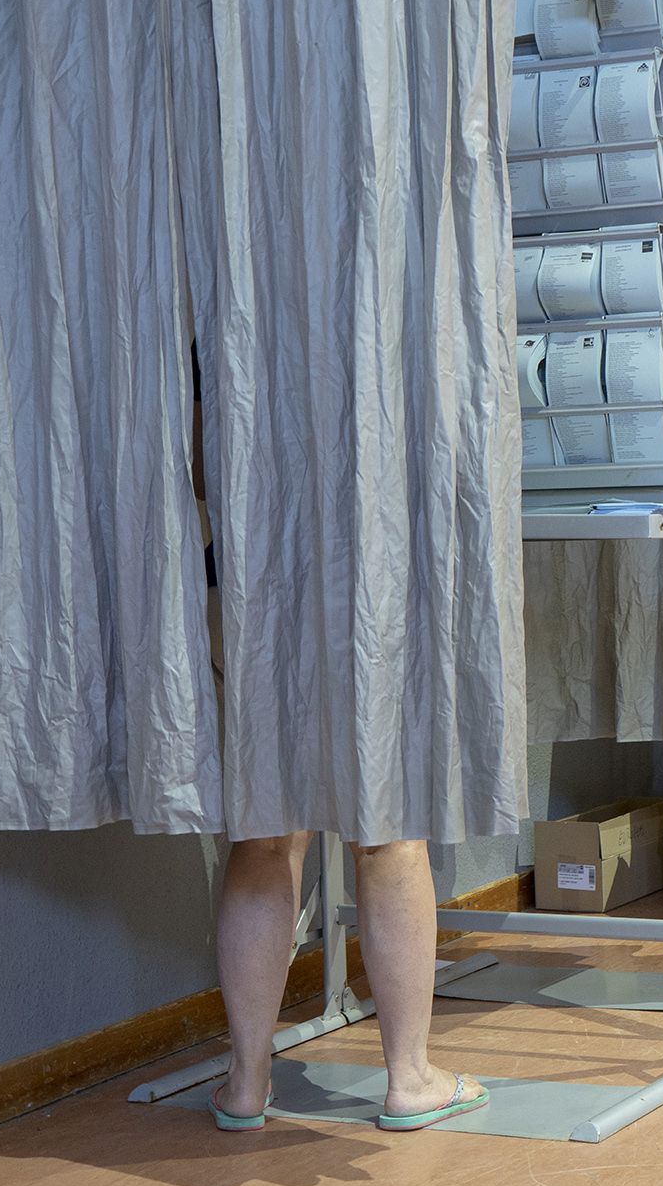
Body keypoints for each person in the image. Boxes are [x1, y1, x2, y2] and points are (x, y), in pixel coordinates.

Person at [191, 373, 486, 1133]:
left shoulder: (231, 297)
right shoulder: (380, 293)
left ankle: (247, 1081)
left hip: (246, 575)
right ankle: (410, 1078)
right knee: (386, 825)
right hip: (366, 577)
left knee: (264, 829)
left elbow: (195, 460)